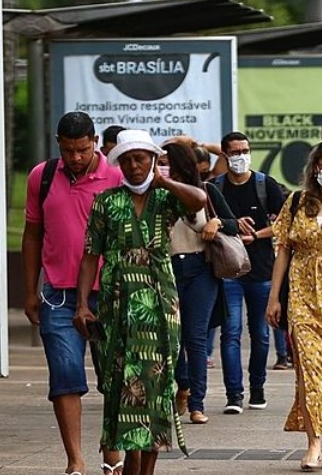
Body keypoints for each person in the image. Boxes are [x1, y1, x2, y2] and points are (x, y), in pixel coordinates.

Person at [74, 129, 207, 475]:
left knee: (156, 384)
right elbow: (90, 255)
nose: (134, 165)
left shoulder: (165, 198)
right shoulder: (106, 201)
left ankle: (145, 468)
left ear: (152, 161)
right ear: (119, 163)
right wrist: (82, 304)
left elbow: (199, 201)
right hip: (116, 304)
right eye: (127, 159)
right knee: (119, 386)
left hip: (159, 305)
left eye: (141, 158)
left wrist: (165, 183)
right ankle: (127, 461)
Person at [22, 111, 123, 475]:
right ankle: (75, 460)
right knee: (64, 375)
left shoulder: (117, 176)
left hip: (109, 294)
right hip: (58, 296)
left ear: (95, 141)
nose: (76, 157)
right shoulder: (43, 176)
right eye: (68, 150)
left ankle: (111, 451)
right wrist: (29, 291)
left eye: (82, 149)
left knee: (113, 375)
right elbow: (32, 232)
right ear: (58, 145)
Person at [265, 139, 322, 471]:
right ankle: (313, 443)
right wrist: (274, 297)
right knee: (308, 369)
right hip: (302, 291)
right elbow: (284, 251)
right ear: (314, 167)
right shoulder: (296, 202)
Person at [161, 140, 239, 425]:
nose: (162, 169)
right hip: (166, 268)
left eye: (167, 163)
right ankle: (183, 385)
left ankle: (197, 402)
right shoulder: (155, 194)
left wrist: (216, 223)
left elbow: (232, 223)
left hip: (200, 269)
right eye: (160, 164)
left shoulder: (206, 191)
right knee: (172, 337)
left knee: (195, 337)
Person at [213, 131, 287, 413]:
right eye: (234, 152)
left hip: (262, 270)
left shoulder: (265, 184)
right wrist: (228, 224)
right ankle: (234, 395)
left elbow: (283, 224)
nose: (241, 157)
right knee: (230, 333)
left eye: (245, 150)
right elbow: (207, 222)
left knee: (261, 333)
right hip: (229, 270)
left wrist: (257, 235)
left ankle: (257, 387)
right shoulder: (215, 186)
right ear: (224, 155)